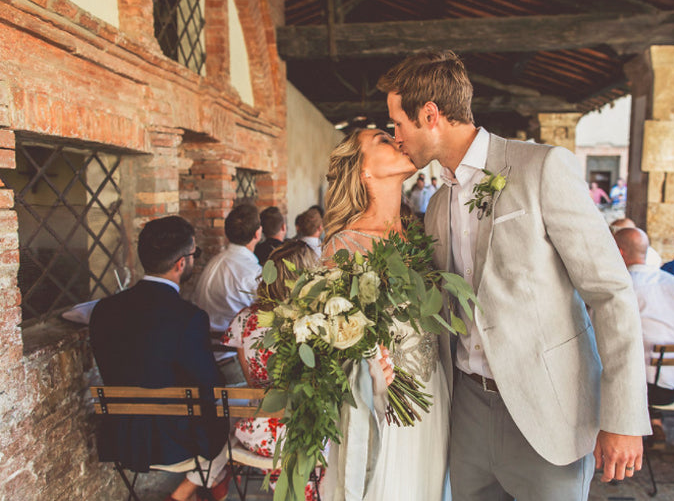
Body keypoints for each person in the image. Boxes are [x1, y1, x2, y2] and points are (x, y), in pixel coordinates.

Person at [378, 50, 649, 500]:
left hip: (549, 412)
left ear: (430, 115)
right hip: (466, 413)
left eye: (398, 123)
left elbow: (611, 293)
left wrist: (623, 418)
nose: (396, 136)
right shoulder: (438, 204)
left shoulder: (541, 167)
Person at [319, 128, 450, 501]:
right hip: (384, 404)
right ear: (363, 171)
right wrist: (369, 368)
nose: (395, 139)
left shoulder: (420, 234)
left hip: (433, 394)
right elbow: (330, 342)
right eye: (380, 139)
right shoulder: (344, 245)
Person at [89, 216, 231, 501]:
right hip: (173, 443)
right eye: (195, 255)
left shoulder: (103, 310)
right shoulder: (189, 318)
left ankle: (198, 489)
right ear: (181, 263)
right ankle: (196, 489)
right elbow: (210, 387)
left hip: (121, 438)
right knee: (232, 420)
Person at [223, 240, 322, 498]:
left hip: (257, 433)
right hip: (303, 433)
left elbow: (251, 380)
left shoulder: (245, 319)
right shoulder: (313, 321)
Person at [615, 227, 674, 442]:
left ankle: (616, 433)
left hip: (648, 389)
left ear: (619, 252)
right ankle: (652, 422)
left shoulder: (621, 287)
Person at [191, 204, 263, 385]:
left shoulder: (213, 263)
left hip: (205, 354)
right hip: (234, 360)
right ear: (257, 234)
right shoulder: (252, 273)